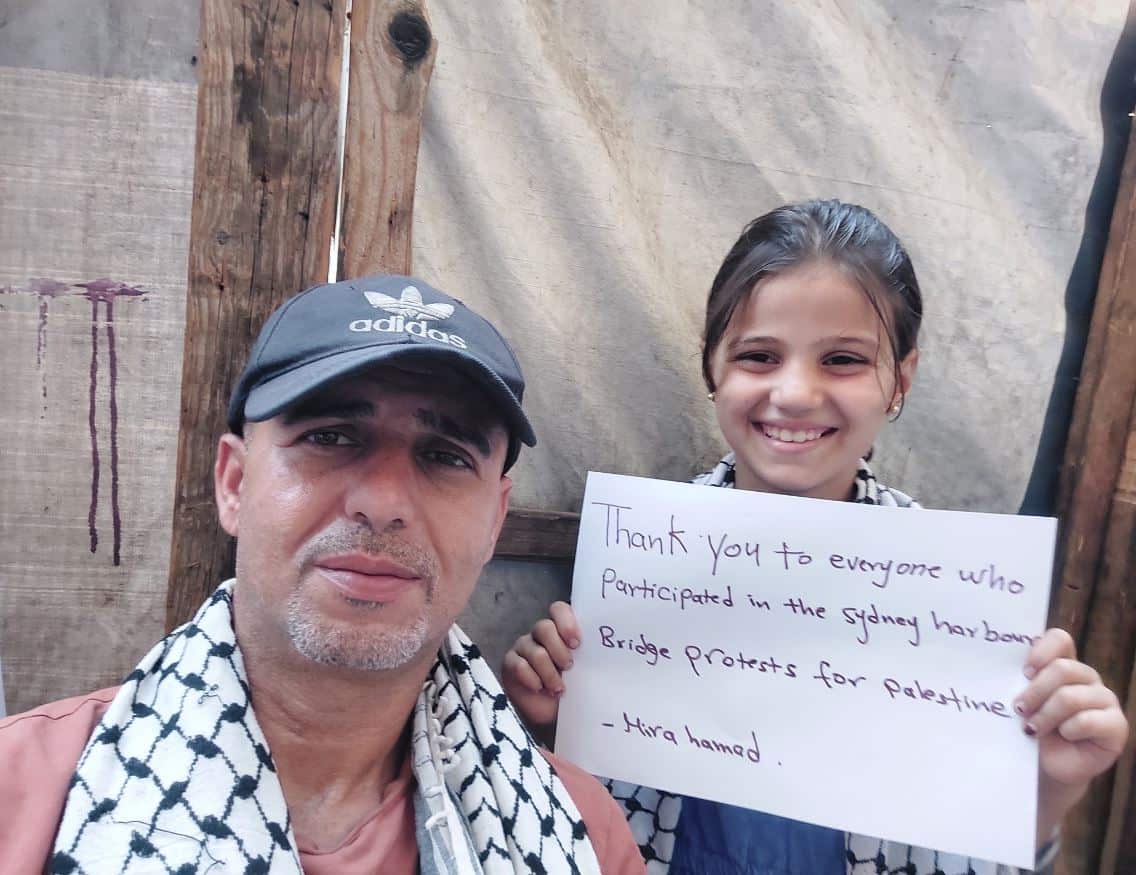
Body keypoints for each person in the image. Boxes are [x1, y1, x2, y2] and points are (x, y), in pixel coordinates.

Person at [501, 201, 1130, 875]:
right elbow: (569, 830)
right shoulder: (635, 574)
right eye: (759, 355)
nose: (795, 392)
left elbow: (967, 844)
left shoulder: (956, 602)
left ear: (901, 381)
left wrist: (1051, 786)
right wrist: (544, 725)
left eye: (842, 359)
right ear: (713, 369)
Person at [0, 275, 645, 874]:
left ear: (494, 522)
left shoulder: (583, 834)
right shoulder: (23, 795)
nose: (383, 502)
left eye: (445, 456)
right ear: (234, 482)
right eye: (331, 437)